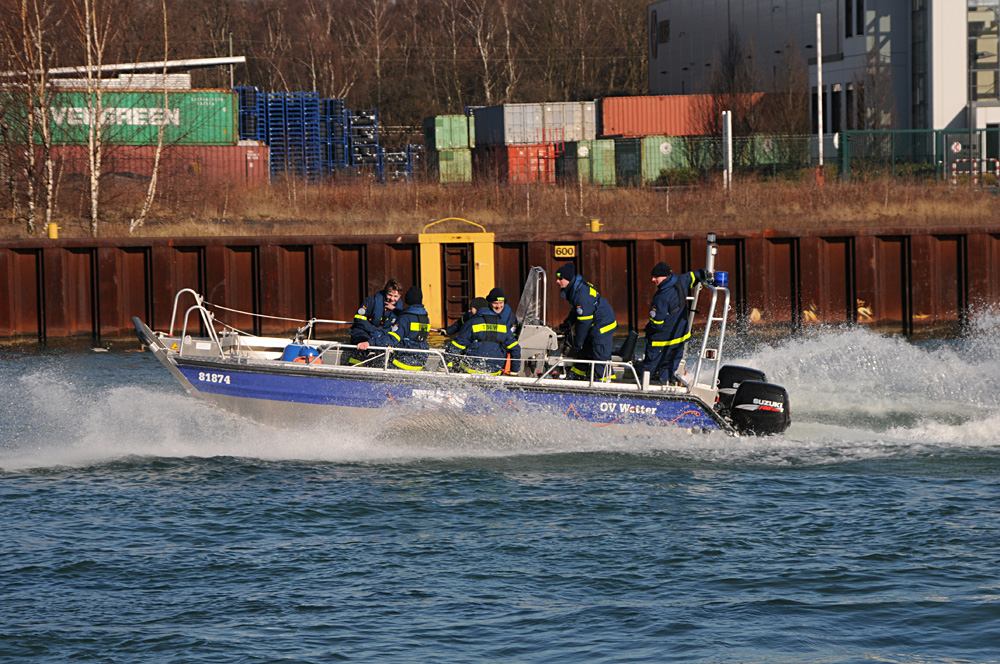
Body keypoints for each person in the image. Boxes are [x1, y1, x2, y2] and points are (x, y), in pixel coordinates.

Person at [639, 261, 710, 385]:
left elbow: (657, 324)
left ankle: (643, 390)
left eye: (656, 277)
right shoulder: (681, 280)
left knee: (648, 369)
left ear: (665, 276)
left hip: (660, 341)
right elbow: (694, 275)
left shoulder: (661, 297)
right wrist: (706, 273)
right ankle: (665, 384)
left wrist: (648, 332)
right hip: (679, 338)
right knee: (669, 365)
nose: (653, 279)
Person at [554, 262, 617, 381]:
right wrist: (568, 322)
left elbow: (584, 323)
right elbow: (575, 310)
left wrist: (578, 343)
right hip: (595, 324)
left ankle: (608, 386)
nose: (557, 281)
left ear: (568, 278)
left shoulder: (581, 294)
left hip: (602, 326)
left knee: (600, 359)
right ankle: (577, 376)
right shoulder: (575, 289)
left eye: (560, 278)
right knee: (584, 353)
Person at [445, 297, 521, 375]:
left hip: (471, 369)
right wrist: (514, 371)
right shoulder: (503, 325)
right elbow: (515, 348)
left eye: (471, 309)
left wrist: (443, 365)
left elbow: (456, 346)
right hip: (494, 371)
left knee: (456, 359)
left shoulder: (472, 323)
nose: (469, 311)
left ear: (476, 309)